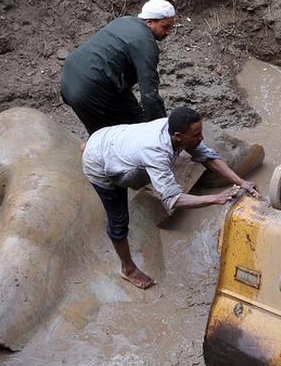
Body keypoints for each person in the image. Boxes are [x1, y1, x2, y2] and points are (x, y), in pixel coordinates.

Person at [82, 106, 256, 289]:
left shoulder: (174, 127)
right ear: (178, 137)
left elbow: (208, 157)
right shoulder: (156, 152)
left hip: (107, 137)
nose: (201, 138)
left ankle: (90, 146)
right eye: (197, 135)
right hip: (99, 166)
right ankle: (128, 269)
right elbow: (173, 200)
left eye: (200, 132)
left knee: (144, 171)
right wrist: (216, 198)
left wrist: (241, 181)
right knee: (118, 220)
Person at [60, 0, 178, 134]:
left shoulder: (124, 21)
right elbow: (149, 95)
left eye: (171, 27)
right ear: (150, 22)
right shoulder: (145, 42)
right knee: (136, 131)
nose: (168, 32)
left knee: (103, 136)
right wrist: (162, 130)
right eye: (165, 27)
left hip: (70, 80)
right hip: (92, 86)